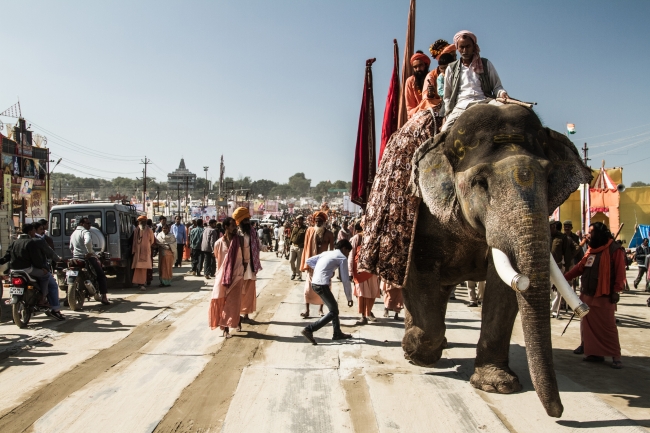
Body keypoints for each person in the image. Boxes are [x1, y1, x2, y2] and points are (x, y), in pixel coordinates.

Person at [564, 222, 625, 369]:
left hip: (604, 297)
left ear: (600, 234)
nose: (588, 235)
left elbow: (620, 273)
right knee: (587, 326)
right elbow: (580, 268)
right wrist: (563, 278)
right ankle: (594, 353)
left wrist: (616, 291)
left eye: (591, 232)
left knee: (608, 327)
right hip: (587, 295)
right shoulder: (590, 251)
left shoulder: (615, 250)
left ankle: (615, 356)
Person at [441, 30, 508, 132]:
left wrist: (502, 93)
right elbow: (447, 96)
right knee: (444, 132)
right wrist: (449, 112)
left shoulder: (485, 64)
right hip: (461, 105)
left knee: (507, 116)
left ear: (473, 46)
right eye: (461, 47)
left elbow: (497, 86)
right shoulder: (451, 68)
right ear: (457, 48)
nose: (465, 50)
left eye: (468, 46)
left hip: (485, 101)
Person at [0, 224, 66, 319]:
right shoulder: (32, 242)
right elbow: (36, 258)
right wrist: (42, 268)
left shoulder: (14, 243)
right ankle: (45, 300)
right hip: (27, 269)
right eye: (35, 230)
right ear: (31, 231)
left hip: (14, 270)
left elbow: (6, 257)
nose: (35, 232)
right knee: (47, 276)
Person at [300, 240, 354, 344]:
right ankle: (309, 329)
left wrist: (321, 270)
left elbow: (309, 261)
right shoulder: (342, 258)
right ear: (344, 249)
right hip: (322, 285)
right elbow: (345, 279)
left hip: (315, 282)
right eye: (348, 252)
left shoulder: (327, 253)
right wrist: (349, 297)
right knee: (334, 311)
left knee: (334, 307)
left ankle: (337, 333)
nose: (348, 254)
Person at [209, 217, 244, 338]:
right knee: (223, 301)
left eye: (236, 225)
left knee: (233, 302)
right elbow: (219, 261)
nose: (235, 228)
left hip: (238, 275)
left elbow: (244, 258)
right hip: (223, 277)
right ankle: (229, 325)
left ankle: (227, 327)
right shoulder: (218, 243)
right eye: (233, 225)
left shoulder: (240, 241)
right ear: (226, 227)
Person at [300, 211, 335, 318]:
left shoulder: (329, 234)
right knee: (308, 288)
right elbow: (306, 248)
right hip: (312, 264)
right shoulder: (310, 231)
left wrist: (332, 268)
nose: (318, 223)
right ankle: (307, 310)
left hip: (324, 265)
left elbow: (332, 251)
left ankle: (321, 310)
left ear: (324, 222)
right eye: (316, 221)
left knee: (324, 288)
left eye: (320, 221)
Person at [70, 217, 110, 304]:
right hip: (86, 257)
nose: (90, 225)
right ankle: (104, 297)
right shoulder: (85, 232)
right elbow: (87, 242)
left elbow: (71, 247)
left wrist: (75, 253)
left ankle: (67, 298)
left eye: (90, 223)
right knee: (101, 275)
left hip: (76, 257)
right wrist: (90, 252)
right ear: (81, 224)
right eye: (88, 224)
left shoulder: (73, 233)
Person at [234, 207, 262, 323]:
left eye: (247, 220)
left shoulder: (253, 232)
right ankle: (236, 314)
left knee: (249, 292)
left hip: (251, 266)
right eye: (244, 220)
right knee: (238, 292)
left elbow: (258, 245)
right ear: (239, 221)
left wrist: (265, 248)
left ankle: (245, 315)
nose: (247, 222)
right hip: (239, 267)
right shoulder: (235, 233)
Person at [349, 222, 380, 324]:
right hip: (359, 271)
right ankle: (363, 316)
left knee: (372, 293)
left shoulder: (376, 236)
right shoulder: (357, 238)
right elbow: (351, 254)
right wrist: (350, 271)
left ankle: (368, 312)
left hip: (372, 270)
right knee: (361, 293)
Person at [404, 51, 431, 119]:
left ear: (426, 65)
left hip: (433, 111)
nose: (418, 69)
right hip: (417, 115)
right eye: (415, 67)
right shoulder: (410, 81)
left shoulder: (432, 76)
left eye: (420, 65)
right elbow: (410, 108)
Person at [131, 215, 155, 290]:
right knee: (138, 268)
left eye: (144, 221)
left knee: (144, 268)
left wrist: (145, 245)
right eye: (141, 221)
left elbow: (152, 240)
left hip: (145, 252)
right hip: (137, 252)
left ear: (146, 222)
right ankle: (139, 283)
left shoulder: (149, 230)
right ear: (139, 222)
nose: (142, 223)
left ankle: (142, 283)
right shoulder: (136, 230)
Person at [289, 215, 307, 280]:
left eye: (300, 220)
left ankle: (298, 275)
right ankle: (293, 272)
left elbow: (306, 238)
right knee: (291, 260)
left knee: (299, 262)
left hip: (300, 247)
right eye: (298, 220)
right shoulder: (295, 228)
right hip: (293, 246)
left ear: (302, 220)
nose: (299, 221)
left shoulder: (305, 228)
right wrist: (290, 243)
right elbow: (292, 236)